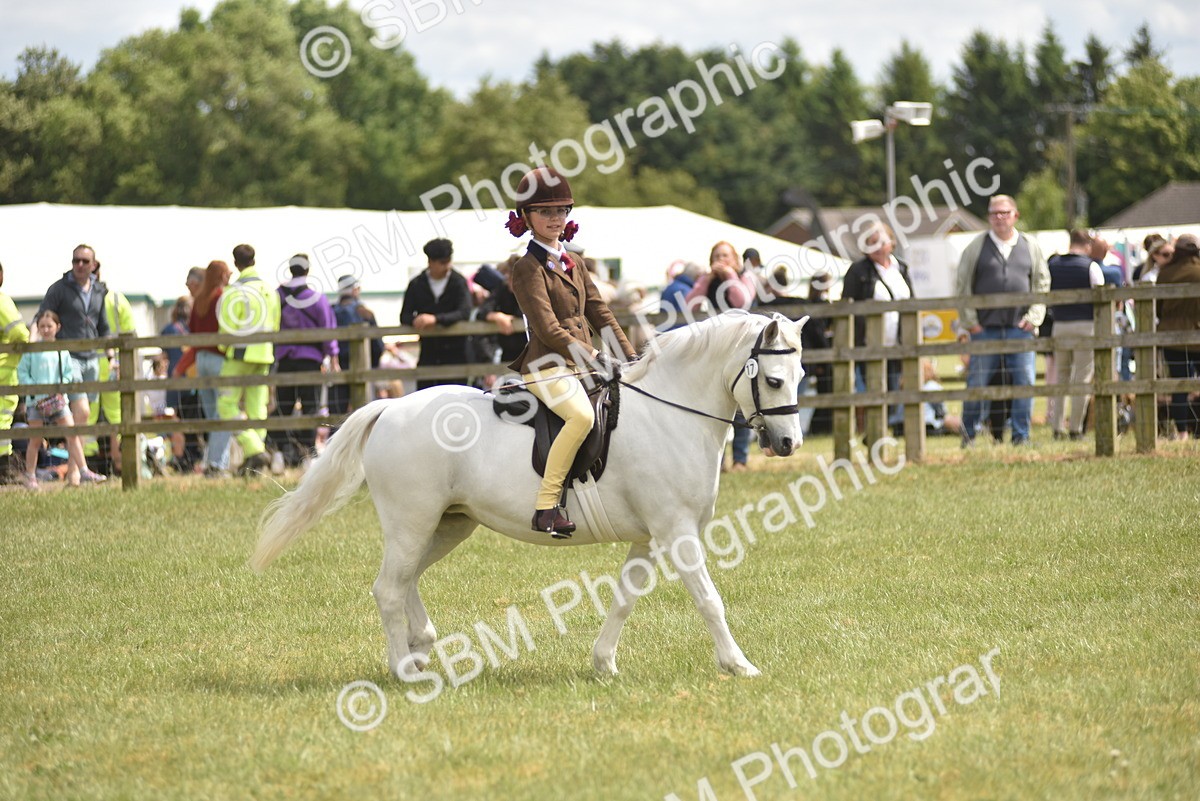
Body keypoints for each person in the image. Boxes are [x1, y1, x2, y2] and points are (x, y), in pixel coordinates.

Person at [504, 166, 637, 535]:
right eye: (545, 212)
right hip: (547, 366)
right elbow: (548, 328)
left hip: (581, 364)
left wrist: (630, 356)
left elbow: (600, 311)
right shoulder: (527, 268)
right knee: (581, 417)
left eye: (561, 210)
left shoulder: (574, 261)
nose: (555, 218)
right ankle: (547, 507)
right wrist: (593, 355)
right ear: (527, 217)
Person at [955, 194, 1050, 446]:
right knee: (976, 382)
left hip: (1020, 329)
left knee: (1025, 381)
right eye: (995, 213)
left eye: (1004, 212)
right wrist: (971, 322)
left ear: (1015, 215)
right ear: (988, 217)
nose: (999, 217)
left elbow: (1042, 283)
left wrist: (1035, 317)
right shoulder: (975, 247)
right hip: (984, 329)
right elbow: (962, 286)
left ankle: (1021, 436)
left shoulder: (1030, 246)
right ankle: (969, 436)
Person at [687, 241, 758, 470]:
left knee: (741, 404)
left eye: (725, 255)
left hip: (743, 346)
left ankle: (740, 459)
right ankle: (719, 461)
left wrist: (729, 275)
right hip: (717, 349)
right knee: (715, 403)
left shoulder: (744, 277)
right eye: (717, 256)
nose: (721, 259)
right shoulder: (708, 280)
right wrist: (706, 280)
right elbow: (689, 307)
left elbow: (742, 301)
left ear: (735, 259)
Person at [37, 244, 109, 470]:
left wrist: (111, 354)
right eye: (75, 260)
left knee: (82, 418)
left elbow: (103, 325)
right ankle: (79, 470)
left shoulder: (99, 291)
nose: (79, 265)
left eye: (84, 261)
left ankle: (73, 470)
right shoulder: (59, 288)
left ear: (93, 265)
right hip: (69, 358)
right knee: (82, 411)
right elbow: (42, 317)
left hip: (92, 358)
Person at [213, 245, 280, 476]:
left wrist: (224, 346)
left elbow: (226, 329)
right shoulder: (270, 290)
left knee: (226, 404)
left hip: (239, 355)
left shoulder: (234, 292)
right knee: (257, 407)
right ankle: (256, 459)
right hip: (264, 355)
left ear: (235, 262)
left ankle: (254, 449)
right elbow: (276, 324)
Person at [841, 221, 914, 432]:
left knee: (893, 390)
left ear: (891, 242)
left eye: (879, 241)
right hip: (868, 345)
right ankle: (873, 433)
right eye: (870, 242)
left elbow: (913, 300)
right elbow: (846, 306)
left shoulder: (901, 268)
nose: (875, 246)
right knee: (872, 390)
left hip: (898, 344)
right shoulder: (857, 271)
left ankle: (880, 431)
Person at [270, 253, 339, 468]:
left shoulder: (277, 296)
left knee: (283, 407)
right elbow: (328, 330)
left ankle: (279, 453)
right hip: (310, 361)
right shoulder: (317, 298)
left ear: (290, 270)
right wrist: (333, 356)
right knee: (311, 407)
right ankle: (307, 456)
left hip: (285, 360)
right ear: (307, 271)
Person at [17, 310, 90, 488]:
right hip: (36, 402)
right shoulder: (32, 351)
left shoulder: (61, 351)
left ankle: (84, 471)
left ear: (57, 327)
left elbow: (68, 374)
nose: (46, 329)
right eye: (42, 326)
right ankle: (31, 477)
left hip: (58, 400)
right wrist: (35, 388)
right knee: (35, 439)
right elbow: (22, 373)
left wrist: (59, 387)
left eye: (49, 326)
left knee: (71, 434)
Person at [1048, 229, 1105, 440]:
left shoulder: (1053, 265)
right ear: (1088, 245)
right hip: (1085, 325)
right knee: (1082, 378)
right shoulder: (1090, 266)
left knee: (1061, 376)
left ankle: (1057, 426)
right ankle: (1075, 428)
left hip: (1060, 325)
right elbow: (1101, 295)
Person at [177, 260, 232, 476]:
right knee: (224, 413)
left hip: (201, 359)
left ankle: (212, 460)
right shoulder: (223, 297)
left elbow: (192, 333)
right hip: (219, 358)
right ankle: (217, 464)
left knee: (211, 414)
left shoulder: (198, 299)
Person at [84, 262, 136, 474]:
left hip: (89, 363)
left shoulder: (82, 298)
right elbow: (131, 333)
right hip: (114, 363)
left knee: (87, 413)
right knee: (118, 414)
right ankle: (122, 463)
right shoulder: (117, 299)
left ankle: (88, 462)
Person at [401, 238, 472, 390]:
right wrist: (417, 320)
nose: (447, 266)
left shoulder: (458, 282)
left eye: (448, 261)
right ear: (430, 262)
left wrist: (436, 319)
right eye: (442, 262)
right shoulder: (416, 284)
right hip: (429, 353)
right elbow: (404, 315)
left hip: (456, 354)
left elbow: (464, 312)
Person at [1156, 233, 1200, 440]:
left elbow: (1157, 309)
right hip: (1197, 334)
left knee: (1179, 385)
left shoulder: (1165, 273)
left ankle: (1181, 432)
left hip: (1171, 337)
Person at [329, 275, 384, 416]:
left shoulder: (331, 312)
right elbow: (378, 345)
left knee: (337, 414)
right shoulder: (364, 312)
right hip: (362, 366)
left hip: (337, 367)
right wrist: (373, 363)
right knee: (364, 413)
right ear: (355, 289)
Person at [0, 261, 31, 482]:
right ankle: (3, 470)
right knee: (2, 420)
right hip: (3, 370)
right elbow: (20, 333)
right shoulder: (2, 301)